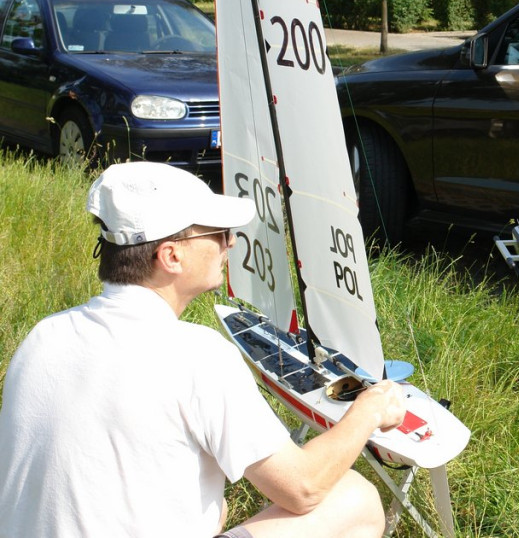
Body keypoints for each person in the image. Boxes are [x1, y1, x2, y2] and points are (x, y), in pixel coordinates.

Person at [0, 161, 406, 538]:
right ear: (171, 256)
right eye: (217, 233)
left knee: (216, 506)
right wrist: (368, 410)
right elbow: (303, 487)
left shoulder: (43, 336)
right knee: (355, 500)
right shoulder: (197, 354)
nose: (230, 242)